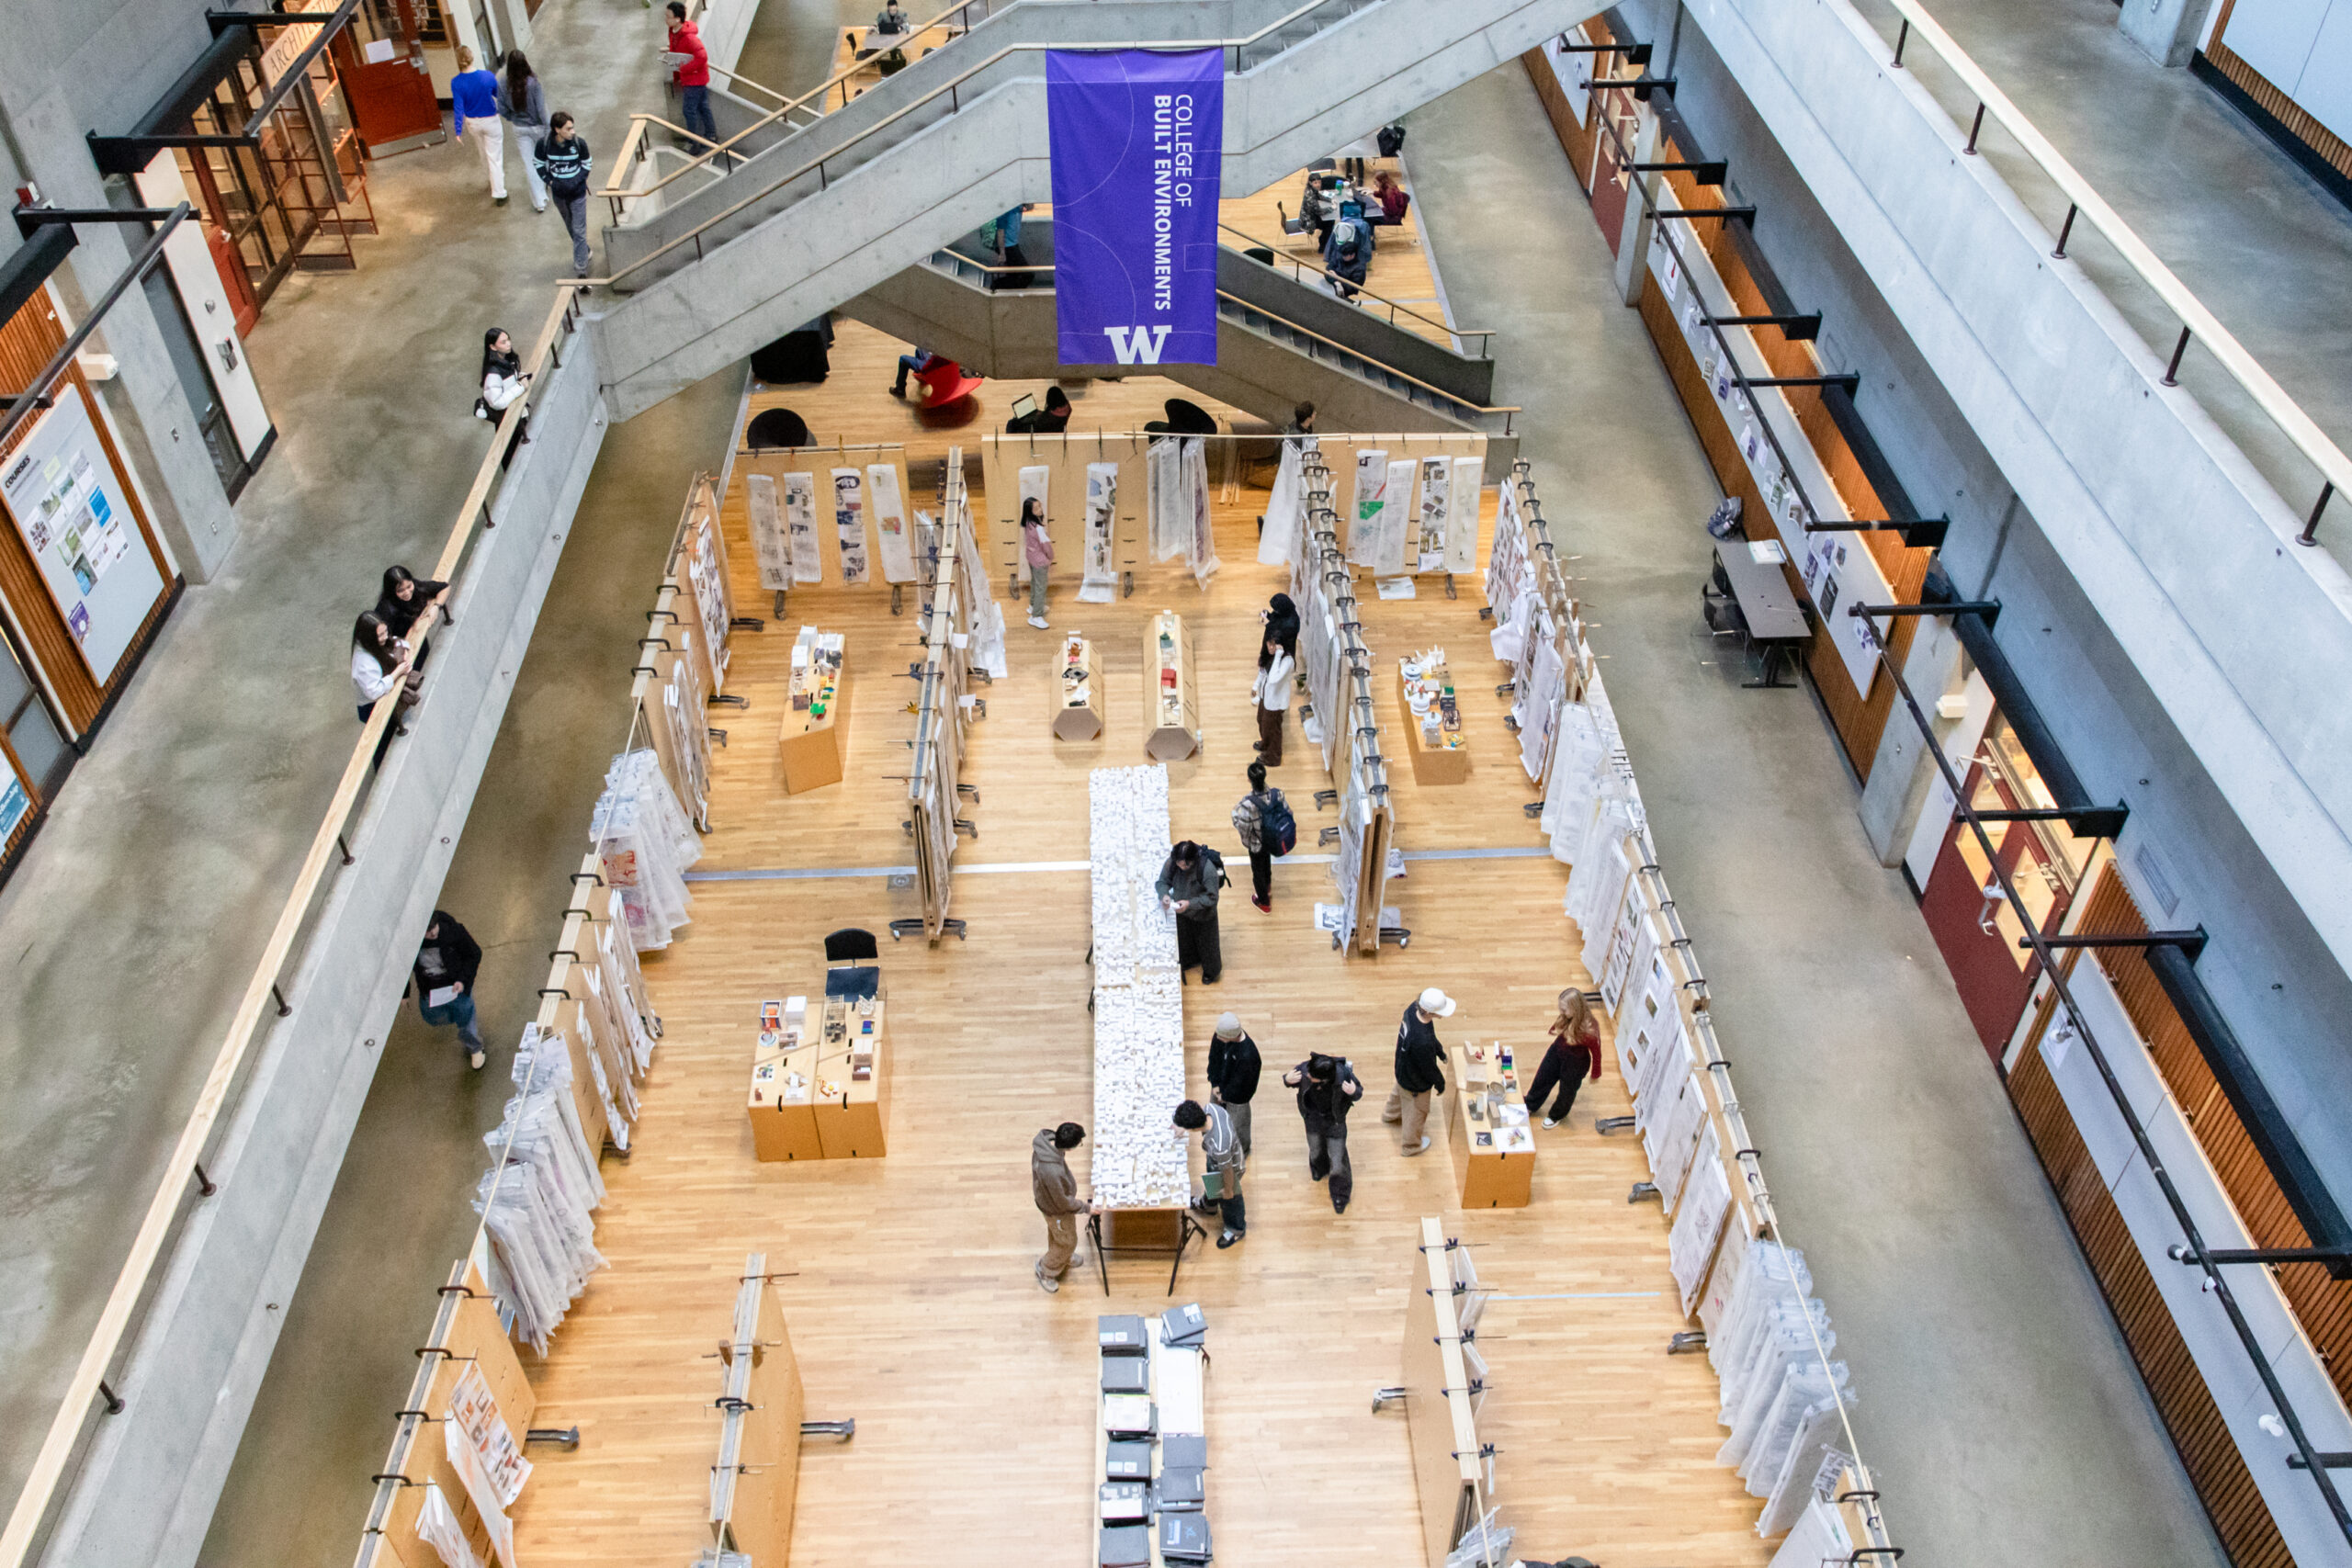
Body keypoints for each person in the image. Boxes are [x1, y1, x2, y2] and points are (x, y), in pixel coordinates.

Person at [1283, 1052, 1364, 1212]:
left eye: (1311, 1076)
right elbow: (1291, 1080)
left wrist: (1354, 1091)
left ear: (1323, 1080)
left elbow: (1358, 1092)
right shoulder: (1306, 1069)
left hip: (1334, 1121)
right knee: (1315, 1148)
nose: (1307, 1075)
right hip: (1312, 1118)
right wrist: (1286, 1079)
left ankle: (1340, 1195)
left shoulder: (1343, 1075)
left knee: (1338, 1160)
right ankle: (1319, 1168)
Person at [1384, 987, 1454, 1154]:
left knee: (1399, 1092)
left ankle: (1390, 1115)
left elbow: (1431, 1037)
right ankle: (1411, 1146)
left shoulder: (1412, 1010)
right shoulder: (1421, 1042)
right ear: (1430, 1012)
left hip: (1403, 1069)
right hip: (1415, 1082)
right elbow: (1428, 1069)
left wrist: (1440, 1052)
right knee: (1417, 1112)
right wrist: (1440, 1083)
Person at [414, 909, 489, 1067]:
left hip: (455, 986)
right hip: (430, 989)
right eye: (427, 932)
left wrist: (462, 980)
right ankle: (463, 1023)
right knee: (433, 1017)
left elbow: (474, 953)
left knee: (465, 1015)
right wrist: (405, 994)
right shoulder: (412, 944)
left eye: (434, 928)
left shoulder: (453, 931)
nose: (433, 934)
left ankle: (475, 1047)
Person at [1527, 988, 1603, 1129]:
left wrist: (1595, 1073)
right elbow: (1558, 1027)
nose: (1561, 1012)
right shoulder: (1567, 1018)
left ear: (1576, 1008)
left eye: (1564, 1009)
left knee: (1566, 1092)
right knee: (1542, 1078)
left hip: (1576, 1064)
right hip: (1557, 1052)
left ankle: (1556, 1115)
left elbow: (1597, 1053)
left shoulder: (1590, 1029)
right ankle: (1530, 1104)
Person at [1174, 1099, 1245, 1248]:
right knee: (1212, 1183)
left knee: (1231, 1201)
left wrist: (1228, 1190)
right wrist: (1183, 1127)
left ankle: (1236, 1229)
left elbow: (1228, 1171)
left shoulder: (1220, 1145)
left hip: (1230, 1169)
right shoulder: (1211, 1109)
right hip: (1216, 1159)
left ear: (1193, 1128)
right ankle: (1210, 1206)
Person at [1032, 1121, 1091, 1292]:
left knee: (1060, 1235)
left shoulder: (1046, 1145)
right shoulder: (1052, 1170)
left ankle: (1062, 1257)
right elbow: (1062, 1202)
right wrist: (1086, 1208)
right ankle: (1046, 1269)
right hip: (1055, 1209)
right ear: (1070, 1147)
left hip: (1051, 1203)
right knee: (1067, 1241)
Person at [534, 112, 596, 279]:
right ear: (557, 129)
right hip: (559, 196)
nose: (572, 131)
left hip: (578, 194)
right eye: (568, 128)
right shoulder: (544, 144)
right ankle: (585, 250)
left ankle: (581, 269)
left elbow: (587, 164)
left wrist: (576, 181)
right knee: (571, 227)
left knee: (579, 230)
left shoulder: (578, 143)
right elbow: (538, 163)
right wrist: (551, 182)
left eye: (572, 127)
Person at [1156, 840, 1225, 984]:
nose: (1182, 867)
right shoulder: (1173, 863)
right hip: (1182, 911)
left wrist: (1190, 903)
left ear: (1192, 861)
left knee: (1208, 944)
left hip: (1203, 914)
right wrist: (1164, 895)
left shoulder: (1207, 870)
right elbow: (1162, 882)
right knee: (1185, 940)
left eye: (1185, 865)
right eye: (1179, 864)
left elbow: (1212, 897)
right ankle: (1190, 960)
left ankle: (1211, 973)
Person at [1229, 761, 1291, 913]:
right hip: (1272, 839)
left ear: (1249, 780)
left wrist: (1248, 840)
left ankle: (1263, 902)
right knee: (1267, 863)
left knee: (1258, 871)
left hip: (1256, 844)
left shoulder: (1247, 805)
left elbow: (1242, 826)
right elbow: (1288, 813)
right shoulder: (1278, 795)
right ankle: (1268, 886)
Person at [450, 47, 506, 204]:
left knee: (483, 153)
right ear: (472, 57)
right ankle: (499, 192)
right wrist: (505, 110)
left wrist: (458, 129)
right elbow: (498, 95)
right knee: (495, 156)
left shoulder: (456, 83)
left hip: (473, 123)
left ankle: (491, 181)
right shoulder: (486, 76)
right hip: (490, 120)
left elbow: (458, 107)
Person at [351, 610, 418, 733]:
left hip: (386, 695)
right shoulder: (363, 662)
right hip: (373, 707)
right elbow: (374, 692)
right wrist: (397, 672)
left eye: (385, 632)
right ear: (369, 637)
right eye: (380, 635)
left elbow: (396, 640)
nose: (385, 637)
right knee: (385, 736)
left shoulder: (375, 643)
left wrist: (405, 651)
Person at [500, 51, 550, 212]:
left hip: (520, 128)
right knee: (542, 158)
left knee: (529, 164)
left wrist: (512, 118)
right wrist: (548, 128)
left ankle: (539, 202)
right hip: (538, 127)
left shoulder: (503, 84)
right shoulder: (534, 84)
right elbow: (542, 110)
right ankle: (546, 183)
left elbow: (501, 108)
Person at [1205, 1012, 1261, 1155]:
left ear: (1232, 1037)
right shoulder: (1221, 1035)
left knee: (1238, 1127)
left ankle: (1241, 1151)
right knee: (1213, 1116)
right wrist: (1215, 1084)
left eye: (1221, 1037)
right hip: (1220, 1087)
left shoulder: (1249, 1055)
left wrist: (1226, 1096)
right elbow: (1214, 1059)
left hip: (1238, 1098)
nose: (1217, 1038)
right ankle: (1215, 1143)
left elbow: (1244, 1085)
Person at [666, 2, 717, 149]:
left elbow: (702, 57)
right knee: (702, 107)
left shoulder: (689, 38)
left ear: (677, 19)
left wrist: (684, 69)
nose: (666, 19)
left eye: (668, 17)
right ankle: (711, 136)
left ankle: (693, 142)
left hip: (694, 80)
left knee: (689, 110)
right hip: (693, 79)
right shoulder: (674, 32)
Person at [479, 328, 532, 460]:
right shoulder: (493, 373)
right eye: (503, 342)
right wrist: (520, 387)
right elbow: (496, 402)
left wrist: (519, 378)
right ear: (492, 346)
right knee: (515, 457)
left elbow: (507, 385)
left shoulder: (508, 361)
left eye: (508, 340)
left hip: (516, 416)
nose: (508, 344)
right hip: (508, 422)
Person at [376, 566, 449, 651]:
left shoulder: (416, 586)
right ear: (392, 592)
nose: (407, 592)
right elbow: (381, 640)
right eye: (400, 590)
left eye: (409, 586)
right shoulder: (386, 610)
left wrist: (436, 607)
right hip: (399, 643)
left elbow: (445, 587)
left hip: (416, 634)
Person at [1251, 634, 1295, 767]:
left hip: (1276, 703)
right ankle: (1265, 743)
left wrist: (1278, 655)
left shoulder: (1287, 661)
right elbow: (1263, 673)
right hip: (1266, 698)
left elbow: (1273, 679)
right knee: (1262, 722)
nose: (1270, 647)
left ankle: (1273, 757)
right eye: (1268, 643)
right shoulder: (1270, 656)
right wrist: (1255, 686)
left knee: (1273, 730)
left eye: (1273, 645)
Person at [1020, 496, 1053, 630]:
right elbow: (1046, 546)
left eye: (1040, 506)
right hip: (1040, 561)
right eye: (1037, 508)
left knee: (1035, 582)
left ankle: (1033, 605)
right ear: (1030, 512)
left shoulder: (1028, 523)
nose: (1040, 509)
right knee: (1041, 587)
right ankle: (1036, 616)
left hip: (1031, 557)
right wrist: (1050, 557)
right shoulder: (1038, 528)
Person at [1324, 216, 1371, 302]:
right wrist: (1337, 282)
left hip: (1343, 294)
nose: (1343, 257)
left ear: (1352, 255)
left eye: (1345, 256)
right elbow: (1328, 269)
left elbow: (1353, 288)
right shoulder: (1341, 257)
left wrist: (1335, 277)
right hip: (1333, 287)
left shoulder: (1359, 268)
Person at [1006, 387, 1071, 434]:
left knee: (1012, 423)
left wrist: (1039, 415)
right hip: (1055, 430)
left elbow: (1039, 424)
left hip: (1041, 431)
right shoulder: (1068, 408)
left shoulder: (1046, 420)